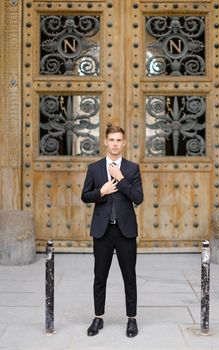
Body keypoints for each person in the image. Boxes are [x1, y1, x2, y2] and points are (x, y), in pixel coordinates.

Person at [81, 125, 144, 338]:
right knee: (100, 277)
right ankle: (98, 317)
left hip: (125, 232)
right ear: (105, 142)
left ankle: (132, 320)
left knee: (129, 277)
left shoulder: (132, 168)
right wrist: (101, 192)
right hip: (103, 231)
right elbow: (85, 196)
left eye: (119, 140)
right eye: (112, 139)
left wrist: (121, 179)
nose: (115, 143)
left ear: (124, 143)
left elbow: (138, 198)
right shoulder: (95, 168)